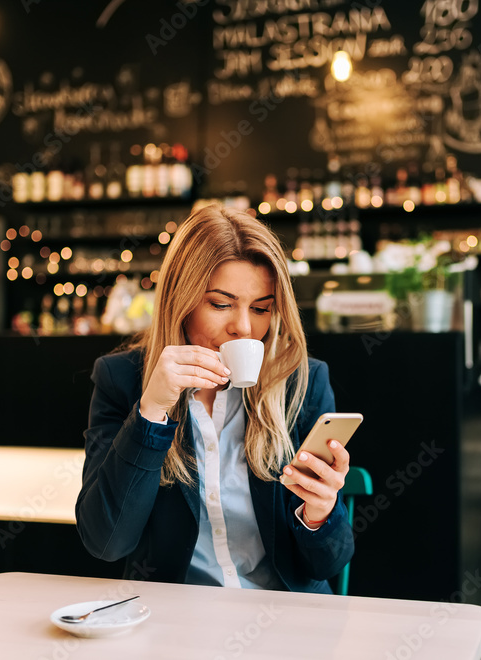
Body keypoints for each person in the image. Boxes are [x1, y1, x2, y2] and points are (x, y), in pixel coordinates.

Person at [75, 203, 354, 593]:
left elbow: (327, 563)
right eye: (220, 304)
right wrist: (151, 412)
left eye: (261, 308)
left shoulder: (300, 383)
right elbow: (105, 542)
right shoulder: (122, 380)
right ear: (180, 300)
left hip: (281, 621)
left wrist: (320, 513)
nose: (244, 327)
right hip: (175, 621)